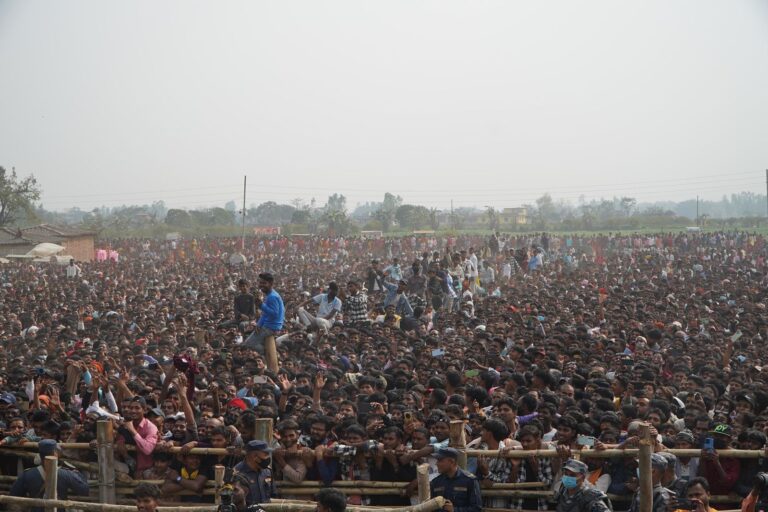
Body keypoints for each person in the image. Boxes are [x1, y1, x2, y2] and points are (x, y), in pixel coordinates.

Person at [10, 439, 89, 510]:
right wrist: (76, 472)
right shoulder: (66, 473)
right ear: (55, 453)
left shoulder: (27, 474)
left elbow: (13, 494)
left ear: (40, 455)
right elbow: (84, 490)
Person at [430, 447, 482, 512]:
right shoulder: (435, 482)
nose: (437, 464)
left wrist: (454, 510)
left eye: (440, 461)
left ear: (452, 462)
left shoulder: (469, 480)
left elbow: (476, 508)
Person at [244, 273, 285, 354]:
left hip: (271, 327)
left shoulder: (272, 297)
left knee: (248, 344)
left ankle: (267, 353)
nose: (261, 285)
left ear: (271, 284)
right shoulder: (270, 294)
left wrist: (261, 305)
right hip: (269, 324)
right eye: (260, 282)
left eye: (264, 283)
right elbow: (266, 313)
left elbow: (274, 314)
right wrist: (259, 324)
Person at [233, 439, 274, 506]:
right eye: (266, 454)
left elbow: (273, 495)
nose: (268, 457)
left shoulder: (267, 471)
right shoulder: (237, 474)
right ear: (255, 456)